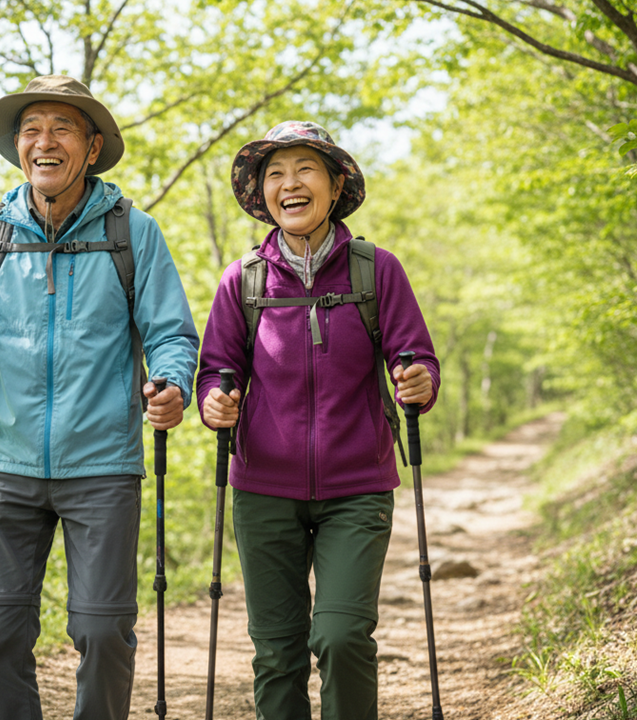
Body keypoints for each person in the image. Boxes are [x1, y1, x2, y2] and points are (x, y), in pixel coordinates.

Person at [0, 75, 199, 720]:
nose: (43, 142)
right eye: (31, 129)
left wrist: (171, 385)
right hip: (6, 462)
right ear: (17, 146)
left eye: (61, 129)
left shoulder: (134, 233)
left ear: (91, 146)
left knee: (103, 632)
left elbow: (171, 334)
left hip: (104, 463)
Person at [196, 120, 439, 720]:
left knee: (341, 636)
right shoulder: (243, 280)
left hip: (358, 487)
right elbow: (215, 370)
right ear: (263, 195)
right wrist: (214, 403)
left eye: (305, 169)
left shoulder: (376, 271)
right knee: (277, 653)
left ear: (335, 186)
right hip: (263, 492)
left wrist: (418, 382)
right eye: (275, 173)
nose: (289, 184)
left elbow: (417, 359)